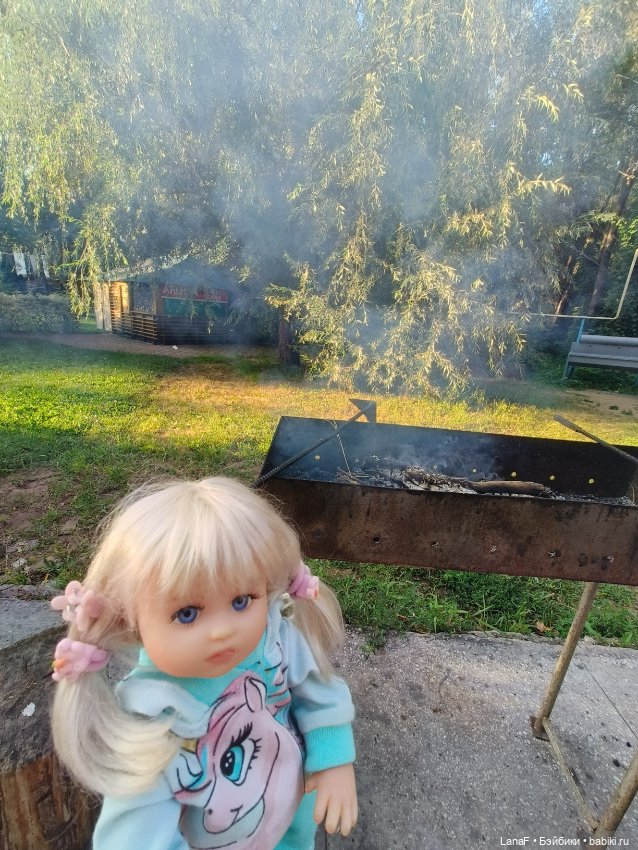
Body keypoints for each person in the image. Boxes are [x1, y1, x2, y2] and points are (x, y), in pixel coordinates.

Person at [50, 476, 357, 850]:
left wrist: (332, 758)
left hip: (293, 827)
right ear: (128, 618)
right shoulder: (154, 716)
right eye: (187, 613)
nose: (222, 631)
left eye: (242, 600)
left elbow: (319, 690)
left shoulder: (271, 637)